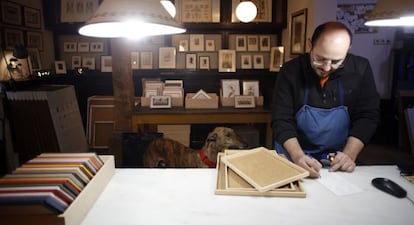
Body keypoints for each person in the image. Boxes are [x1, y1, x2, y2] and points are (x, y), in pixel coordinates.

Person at [271, 21, 380, 178]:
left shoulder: (360, 69)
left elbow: (367, 116)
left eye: (336, 62)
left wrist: (349, 154)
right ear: (310, 45)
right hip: (293, 154)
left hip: (338, 158)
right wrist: (298, 156)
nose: (327, 68)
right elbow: (281, 119)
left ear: (347, 51)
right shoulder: (291, 71)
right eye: (320, 59)